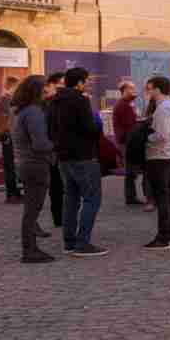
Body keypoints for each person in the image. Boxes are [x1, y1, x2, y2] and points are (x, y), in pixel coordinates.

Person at [49, 67, 107, 257]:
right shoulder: (80, 101)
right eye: (86, 81)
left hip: (63, 157)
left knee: (71, 199)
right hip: (83, 156)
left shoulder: (55, 101)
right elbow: (90, 128)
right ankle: (82, 243)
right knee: (92, 198)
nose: (88, 83)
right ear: (80, 82)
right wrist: (98, 122)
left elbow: (50, 129)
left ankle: (69, 242)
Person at [10, 76, 54, 263]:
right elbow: (40, 143)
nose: (46, 94)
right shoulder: (34, 112)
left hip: (25, 163)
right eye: (44, 91)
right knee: (32, 210)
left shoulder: (21, 111)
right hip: (35, 163)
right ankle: (29, 249)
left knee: (31, 209)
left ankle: (30, 247)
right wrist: (56, 145)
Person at [142, 76, 170, 251]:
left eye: (149, 88)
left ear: (157, 89)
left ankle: (163, 237)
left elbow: (162, 136)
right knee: (169, 197)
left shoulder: (163, 109)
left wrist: (145, 138)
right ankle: (169, 234)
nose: (148, 92)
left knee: (163, 198)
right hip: (167, 155)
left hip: (159, 156)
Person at [112, 81, 146, 206]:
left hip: (126, 140)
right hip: (127, 141)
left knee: (131, 170)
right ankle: (131, 197)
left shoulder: (126, 104)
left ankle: (131, 196)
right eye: (131, 89)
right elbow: (130, 125)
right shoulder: (124, 105)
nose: (134, 91)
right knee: (130, 171)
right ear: (124, 90)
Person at [0, 75, 22, 203]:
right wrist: (5, 135)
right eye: (17, 87)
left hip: (11, 136)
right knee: (10, 166)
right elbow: (2, 120)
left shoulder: (7, 99)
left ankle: (14, 192)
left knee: (12, 166)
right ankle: (11, 194)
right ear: (12, 86)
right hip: (9, 137)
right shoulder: (4, 100)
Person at [43, 72, 66, 227]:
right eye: (61, 83)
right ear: (52, 85)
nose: (64, 87)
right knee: (57, 186)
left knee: (60, 186)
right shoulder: (46, 103)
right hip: (53, 150)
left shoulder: (57, 102)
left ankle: (61, 217)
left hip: (58, 149)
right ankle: (59, 217)